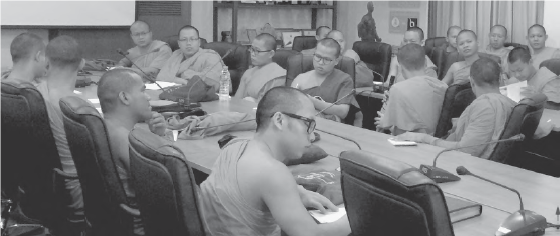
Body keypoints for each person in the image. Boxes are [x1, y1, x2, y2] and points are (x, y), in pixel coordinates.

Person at [200, 86, 351, 236]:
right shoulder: (273, 173)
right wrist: (355, 218)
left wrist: (297, 192)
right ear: (279, 120)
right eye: (308, 124)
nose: (312, 137)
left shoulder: (233, 146)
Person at [398, 58, 516, 159]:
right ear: (500, 80)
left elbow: (465, 151)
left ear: (472, 82)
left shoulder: (486, 107)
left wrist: (424, 138)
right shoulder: (511, 103)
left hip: (467, 168)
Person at [97, 69, 168, 235]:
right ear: (125, 97)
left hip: (113, 222)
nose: (149, 97)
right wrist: (161, 139)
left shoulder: (102, 127)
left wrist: (156, 134)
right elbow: (166, 185)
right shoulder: (127, 141)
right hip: (146, 226)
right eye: (143, 90)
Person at [36, 35, 85, 218]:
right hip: (78, 191)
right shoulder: (79, 108)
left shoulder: (33, 92)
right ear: (82, 64)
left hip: (41, 184)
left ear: (46, 61)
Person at [375, 43, 447, 136]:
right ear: (425, 63)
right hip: (437, 143)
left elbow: (402, 133)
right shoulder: (442, 86)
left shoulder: (398, 89)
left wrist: (386, 124)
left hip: (414, 144)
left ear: (400, 67)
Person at [291, 38, 359, 123]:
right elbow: (290, 106)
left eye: (326, 59)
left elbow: (343, 112)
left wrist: (311, 101)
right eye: (318, 57)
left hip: (331, 128)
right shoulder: (300, 79)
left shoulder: (344, 79)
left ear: (336, 61)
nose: (320, 62)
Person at [157, 25, 224, 91]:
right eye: (184, 39)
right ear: (179, 43)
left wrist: (191, 75)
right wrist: (182, 81)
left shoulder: (210, 57)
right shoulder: (176, 54)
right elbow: (161, 77)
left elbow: (214, 85)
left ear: (199, 42)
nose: (188, 43)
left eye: (192, 39)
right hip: (177, 94)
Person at [234, 33, 286, 101]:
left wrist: (251, 101)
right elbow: (236, 101)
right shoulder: (248, 73)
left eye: (257, 51)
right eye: (251, 49)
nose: (252, 54)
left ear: (271, 54)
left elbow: (270, 106)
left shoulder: (278, 77)